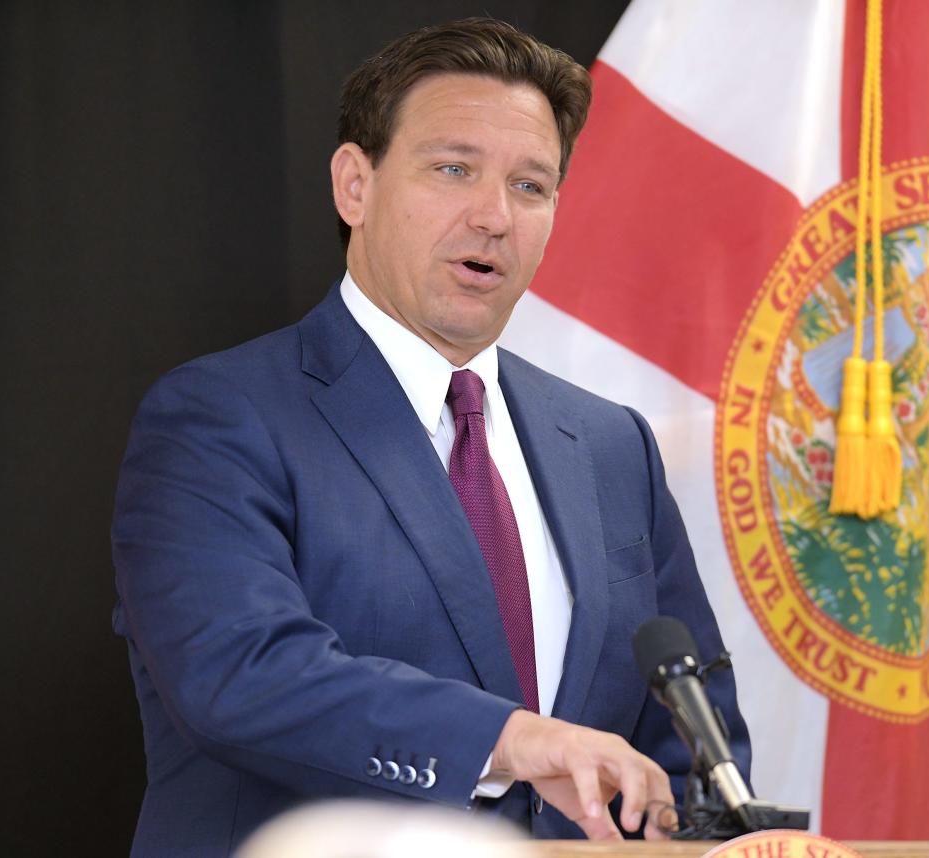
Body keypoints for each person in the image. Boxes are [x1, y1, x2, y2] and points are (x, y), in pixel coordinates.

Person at [111, 18, 749, 857]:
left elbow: (696, 739)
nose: (493, 216)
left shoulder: (610, 446)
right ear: (355, 186)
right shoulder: (218, 417)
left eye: (531, 186)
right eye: (453, 170)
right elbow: (240, 673)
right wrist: (513, 740)